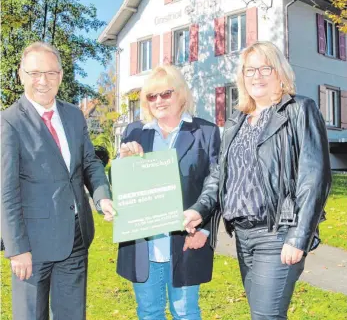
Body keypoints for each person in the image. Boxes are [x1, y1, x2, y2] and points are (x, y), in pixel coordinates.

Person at [184, 41, 332, 319]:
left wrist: (299, 236)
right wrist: (198, 210)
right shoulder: (236, 121)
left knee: (265, 316)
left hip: (278, 233)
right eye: (250, 70)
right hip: (242, 236)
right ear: (242, 77)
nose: (257, 76)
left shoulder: (299, 109)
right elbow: (219, 177)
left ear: (280, 73)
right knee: (263, 314)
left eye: (266, 68)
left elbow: (315, 177)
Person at [1, 42, 115, 320]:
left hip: (75, 238)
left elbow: (90, 162)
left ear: (61, 76)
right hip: (32, 246)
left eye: (51, 73)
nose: (43, 81)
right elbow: (6, 191)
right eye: (35, 73)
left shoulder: (74, 116)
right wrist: (17, 249)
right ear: (21, 75)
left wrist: (102, 195)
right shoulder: (9, 122)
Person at [117, 65, 221, 320]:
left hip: (186, 240)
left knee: (185, 312)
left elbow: (216, 182)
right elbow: (123, 190)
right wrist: (125, 163)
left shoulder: (205, 132)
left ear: (182, 95)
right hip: (143, 243)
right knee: (149, 312)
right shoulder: (134, 132)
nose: (158, 101)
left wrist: (205, 229)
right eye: (151, 96)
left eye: (165, 93)